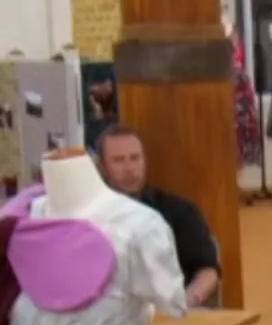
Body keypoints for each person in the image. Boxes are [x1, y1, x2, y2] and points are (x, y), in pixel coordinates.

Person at [95, 124, 222, 307]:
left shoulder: (178, 210)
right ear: (102, 167)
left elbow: (208, 271)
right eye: (118, 160)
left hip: (171, 314)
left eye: (135, 158)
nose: (129, 168)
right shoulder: (92, 216)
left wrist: (189, 299)